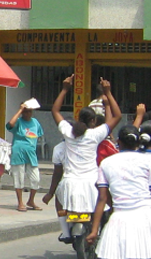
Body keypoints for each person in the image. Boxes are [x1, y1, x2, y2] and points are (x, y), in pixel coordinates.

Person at [86, 126, 151, 259]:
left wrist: (94, 230)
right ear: (138, 142)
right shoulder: (148, 162)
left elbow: (102, 199)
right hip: (146, 216)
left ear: (118, 142)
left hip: (119, 217)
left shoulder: (106, 163)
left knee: (114, 254)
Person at [51, 75, 122, 243]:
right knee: (106, 203)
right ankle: (99, 231)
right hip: (91, 183)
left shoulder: (68, 133)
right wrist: (108, 93)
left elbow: (55, 111)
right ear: (92, 121)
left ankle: (66, 232)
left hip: (69, 182)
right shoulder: (95, 134)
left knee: (59, 200)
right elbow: (117, 116)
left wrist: (64, 89)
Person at [6, 99, 43, 212]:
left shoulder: (35, 122)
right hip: (19, 152)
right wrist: (20, 110)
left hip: (31, 154)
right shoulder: (18, 121)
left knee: (35, 179)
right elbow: (10, 124)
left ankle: (31, 200)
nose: (28, 114)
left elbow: (39, 135)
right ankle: (20, 202)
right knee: (19, 178)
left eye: (30, 111)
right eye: (25, 111)